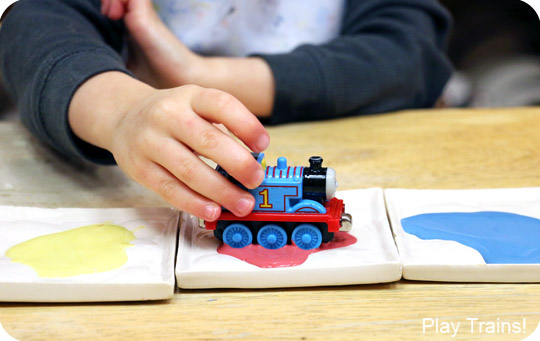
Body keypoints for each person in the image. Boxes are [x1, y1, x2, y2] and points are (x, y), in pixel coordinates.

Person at [0, 0, 452, 221]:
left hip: (355, 139)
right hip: (113, 161)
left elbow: (410, 53)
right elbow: (33, 26)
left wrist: (201, 73)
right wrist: (123, 112)